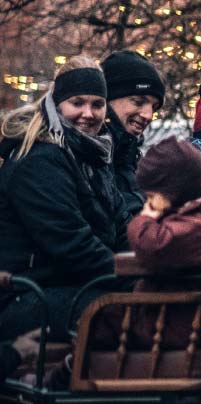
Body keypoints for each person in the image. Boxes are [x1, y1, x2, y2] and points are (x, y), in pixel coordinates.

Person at [0, 56, 127, 338]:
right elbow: (71, 244)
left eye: (97, 104)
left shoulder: (93, 156)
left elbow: (121, 226)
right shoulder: (38, 159)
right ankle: (68, 376)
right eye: (77, 102)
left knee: (148, 305)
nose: (89, 113)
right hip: (24, 294)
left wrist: (149, 267)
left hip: (69, 286)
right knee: (127, 317)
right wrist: (130, 275)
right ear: (58, 104)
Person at [127, 138, 201, 274]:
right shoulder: (197, 216)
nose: (148, 203)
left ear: (169, 194)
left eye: (151, 197)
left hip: (194, 294)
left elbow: (154, 248)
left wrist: (144, 219)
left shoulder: (199, 223)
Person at [100, 50, 165, 224]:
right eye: (138, 101)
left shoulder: (131, 157)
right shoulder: (89, 157)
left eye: (154, 107)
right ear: (107, 99)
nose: (148, 115)